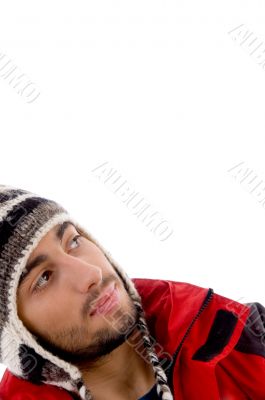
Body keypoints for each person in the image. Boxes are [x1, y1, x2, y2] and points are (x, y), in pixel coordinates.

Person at [0, 185, 264, 400]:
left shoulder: (248, 336)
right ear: (14, 339)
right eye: (44, 278)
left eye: (73, 241)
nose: (91, 273)